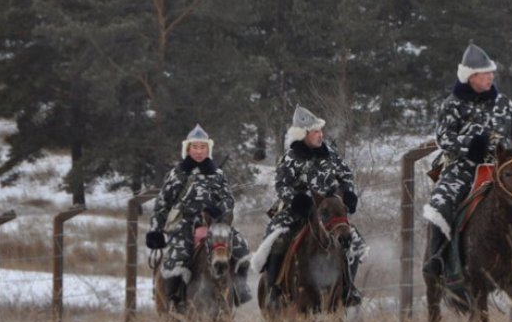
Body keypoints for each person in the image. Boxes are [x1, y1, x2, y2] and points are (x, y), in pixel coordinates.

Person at [422, 42, 512, 276]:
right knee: (440, 204)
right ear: (470, 77)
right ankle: (436, 259)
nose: (490, 77)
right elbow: (443, 138)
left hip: (503, 169)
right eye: (485, 74)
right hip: (462, 169)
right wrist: (469, 147)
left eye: (491, 73)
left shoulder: (504, 103)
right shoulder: (452, 105)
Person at [251, 105, 367, 308]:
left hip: (328, 211)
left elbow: (346, 175)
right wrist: (296, 199)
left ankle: (347, 289)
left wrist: (348, 192)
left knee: (354, 241)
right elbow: (281, 185)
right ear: (303, 134)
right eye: (315, 132)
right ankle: (273, 291)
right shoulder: (291, 158)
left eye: (320, 131)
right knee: (277, 240)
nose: (320, 135)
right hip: (296, 211)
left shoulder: (330, 154)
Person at [146, 124, 252, 310]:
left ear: (208, 149)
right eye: (195, 147)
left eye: (203, 147)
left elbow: (228, 200)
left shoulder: (217, 175)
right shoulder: (176, 174)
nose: (199, 151)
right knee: (177, 256)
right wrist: (156, 230)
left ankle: (239, 289)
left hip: (215, 223)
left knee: (241, 248)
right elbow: (162, 204)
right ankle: (174, 299)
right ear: (188, 149)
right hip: (184, 223)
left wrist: (218, 211)